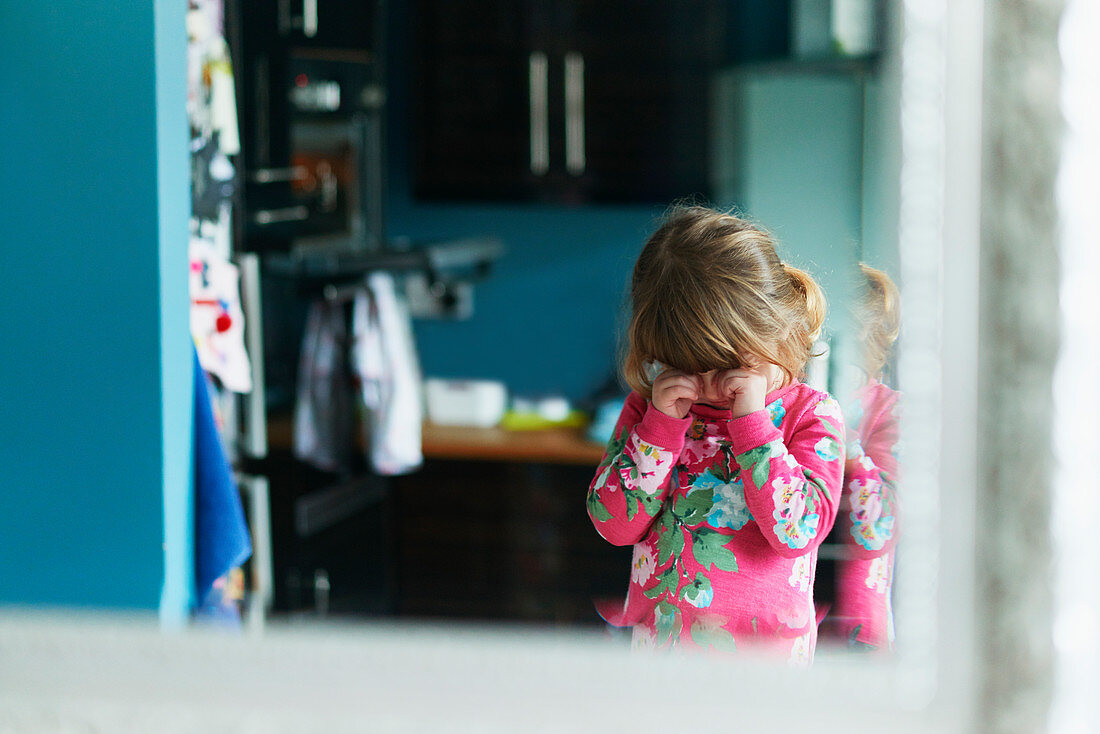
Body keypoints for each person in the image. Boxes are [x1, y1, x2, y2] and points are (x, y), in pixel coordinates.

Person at [586, 205, 845, 664]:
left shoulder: (811, 414)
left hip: (766, 667)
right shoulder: (648, 411)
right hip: (660, 659)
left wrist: (752, 426)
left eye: (727, 363)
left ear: (772, 331)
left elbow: (797, 532)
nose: (707, 385)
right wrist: (661, 429)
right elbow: (614, 526)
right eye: (684, 364)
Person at [827, 263, 902, 651]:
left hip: (855, 623)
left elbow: (879, 527)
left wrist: (844, 444)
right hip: (782, 608)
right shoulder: (789, 397)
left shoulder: (892, 412)